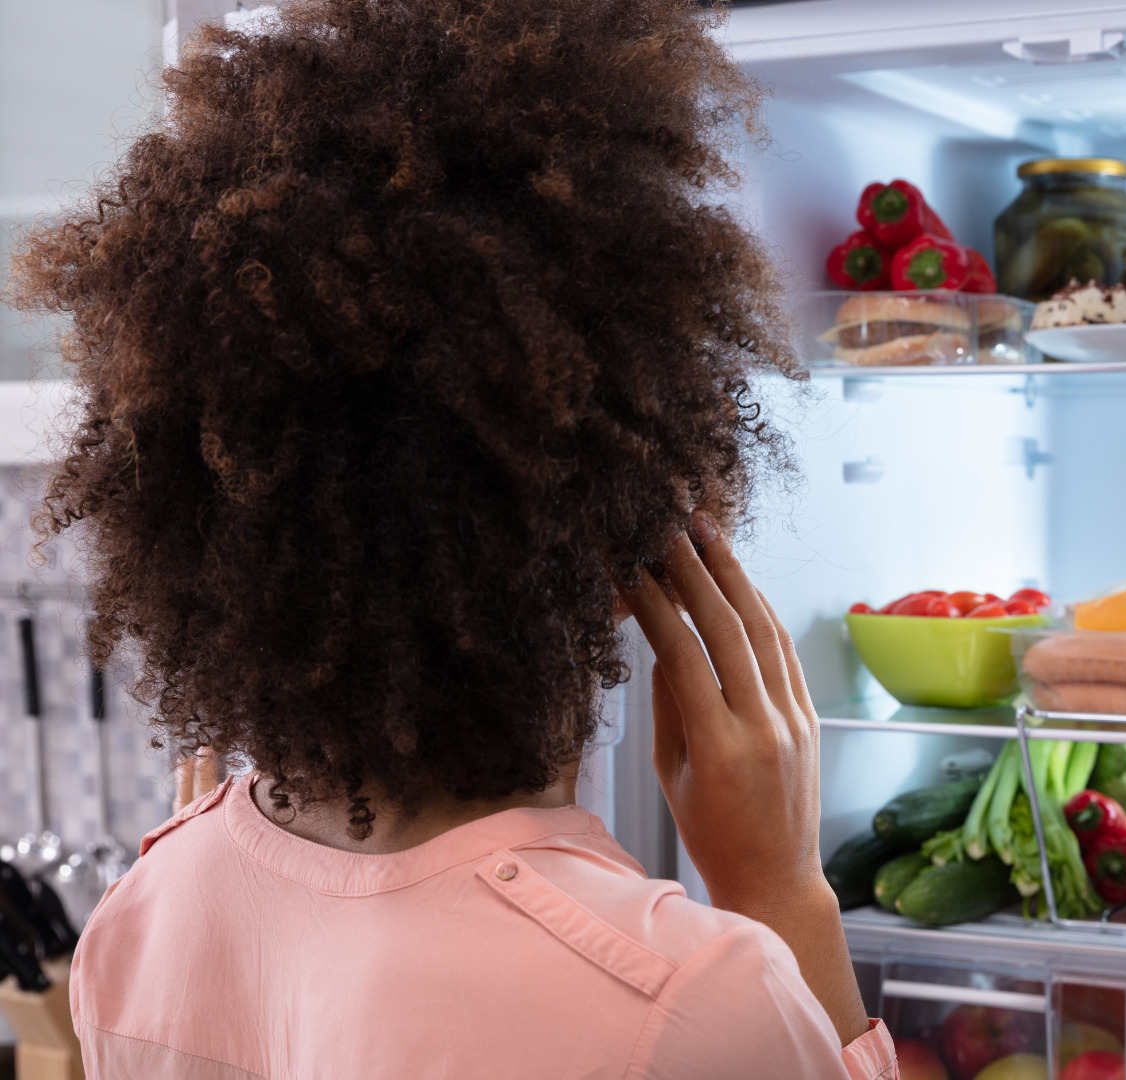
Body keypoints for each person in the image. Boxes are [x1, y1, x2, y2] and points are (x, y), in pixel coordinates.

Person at [5, 1, 895, 1077]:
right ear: (635, 544)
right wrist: (780, 896)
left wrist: (204, 867)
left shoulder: (137, 917)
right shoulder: (697, 1000)